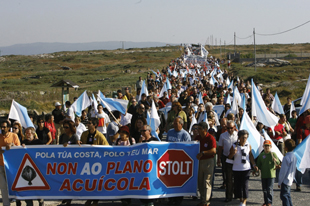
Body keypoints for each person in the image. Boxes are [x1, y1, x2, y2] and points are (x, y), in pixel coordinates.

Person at [80, 117, 109, 206]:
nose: (87, 125)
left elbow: (107, 147)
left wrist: (97, 147)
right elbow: (81, 144)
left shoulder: (100, 135)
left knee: (95, 182)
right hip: (86, 161)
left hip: (97, 162)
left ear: (95, 125)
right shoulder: (84, 134)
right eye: (87, 123)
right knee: (88, 182)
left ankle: (95, 200)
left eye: (89, 123)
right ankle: (89, 198)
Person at [228, 130, 257, 206]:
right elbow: (229, 157)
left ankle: (244, 201)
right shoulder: (234, 146)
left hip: (246, 168)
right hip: (237, 168)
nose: (244, 139)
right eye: (243, 137)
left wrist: (254, 165)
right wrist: (233, 153)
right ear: (239, 138)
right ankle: (240, 199)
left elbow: (250, 156)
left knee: (245, 185)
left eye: (246, 138)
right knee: (237, 185)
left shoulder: (248, 145)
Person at [166, 117, 191, 205]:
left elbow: (188, 148)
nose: (174, 125)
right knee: (170, 180)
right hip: (170, 160)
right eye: (174, 123)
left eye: (176, 123)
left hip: (180, 161)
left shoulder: (185, 135)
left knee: (179, 181)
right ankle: (171, 198)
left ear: (181, 124)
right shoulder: (170, 132)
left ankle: (178, 199)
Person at [17, 127, 44, 206]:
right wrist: (21, 147)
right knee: (27, 188)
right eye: (26, 133)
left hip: (37, 169)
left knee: (37, 188)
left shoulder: (39, 142)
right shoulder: (24, 142)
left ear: (33, 134)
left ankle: (41, 200)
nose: (27, 135)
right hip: (27, 168)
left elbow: (44, 151)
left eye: (29, 133)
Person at [195, 122, 217, 206]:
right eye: (197, 129)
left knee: (207, 181)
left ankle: (206, 201)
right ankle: (202, 198)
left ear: (205, 129)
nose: (198, 130)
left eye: (199, 129)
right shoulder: (197, 138)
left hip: (208, 161)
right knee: (200, 181)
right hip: (199, 161)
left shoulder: (211, 138)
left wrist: (203, 152)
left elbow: (214, 150)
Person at [0, 120, 21, 206]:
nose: (2, 128)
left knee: (14, 186)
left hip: (11, 166)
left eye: (4, 127)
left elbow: (19, 149)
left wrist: (12, 145)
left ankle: (18, 202)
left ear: (9, 128)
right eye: (1, 127)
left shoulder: (14, 136)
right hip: (1, 165)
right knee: (3, 187)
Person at [217, 120, 238, 202]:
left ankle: (236, 193)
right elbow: (220, 148)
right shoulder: (222, 136)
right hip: (226, 158)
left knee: (236, 177)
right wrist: (218, 159)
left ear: (234, 127)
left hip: (236, 158)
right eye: (228, 128)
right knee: (228, 178)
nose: (229, 129)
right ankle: (228, 196)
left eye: (231, 128)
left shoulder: (238, 135)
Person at [256, 140, 280, 206]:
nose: (267, 147)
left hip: (271, 175)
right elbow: (258, 164)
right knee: (264, 189)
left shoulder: (273, 154)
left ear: (271, 146)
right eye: (265, 146)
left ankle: (269, 202)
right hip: (264, 175)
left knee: (269, 189)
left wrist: (276, 160)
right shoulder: (261, 155)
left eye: (268, 146)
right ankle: (265, 201)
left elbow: (278, 163)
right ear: (263, 147)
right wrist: (256, 168)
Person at [278, 139, 297, 206]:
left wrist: (279, 181)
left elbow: (283, 172)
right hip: (291, 178)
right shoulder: (294, 156)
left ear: (286, 147)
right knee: (288, 195)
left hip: (285, 180)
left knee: (284, 196)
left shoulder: (286, 158)